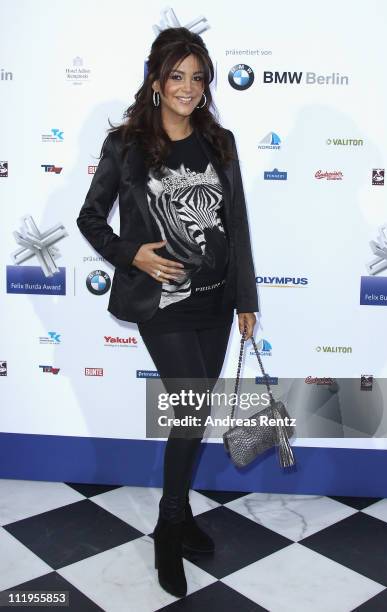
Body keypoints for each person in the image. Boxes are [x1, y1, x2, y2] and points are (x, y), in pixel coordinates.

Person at [76, 26, 259, 598]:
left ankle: (178, 516)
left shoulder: (221, 142)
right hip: (164, 307)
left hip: (216, 303)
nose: (188, 87)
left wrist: (247, 299)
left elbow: (238, 226)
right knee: (190, 410)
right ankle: (166, 526)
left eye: (197, 77)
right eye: (176, 76)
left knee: (193, 415)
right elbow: (90, 217)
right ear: (157, 82)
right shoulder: (127, 145)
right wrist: (130, 253)